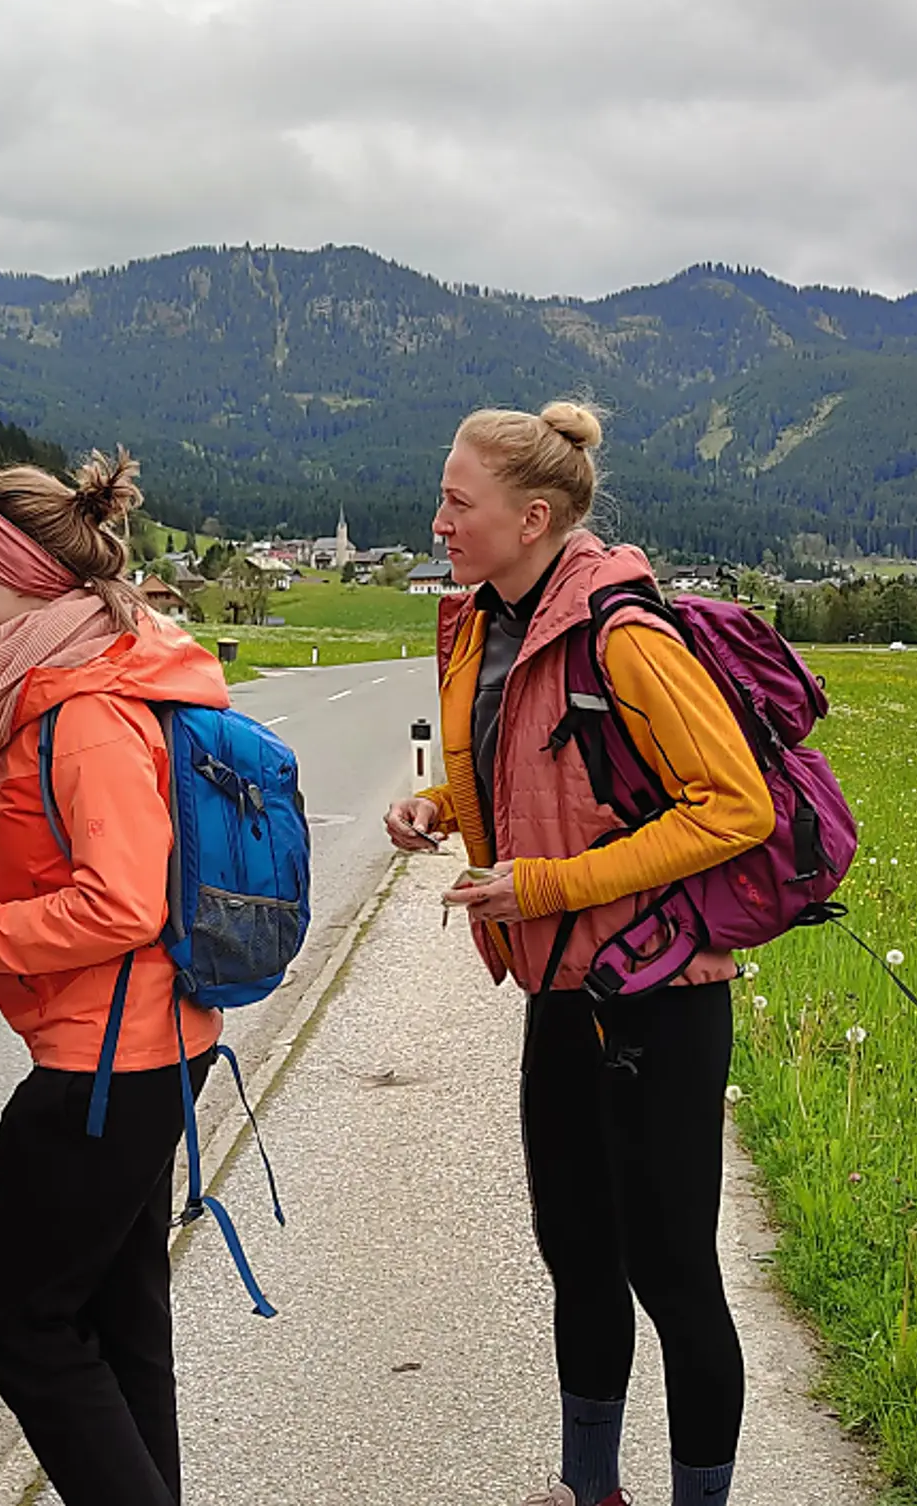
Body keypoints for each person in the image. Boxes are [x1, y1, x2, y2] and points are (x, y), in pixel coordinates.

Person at [381, 404, 777, 1506]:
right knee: (577, 1255)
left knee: (673, 1272)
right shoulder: (483, 626)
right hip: (556, 986)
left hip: (656, 995)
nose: (439, 520)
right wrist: (435, 806)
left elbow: (734, 806)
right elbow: (524, 780)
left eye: (460, 502)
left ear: (534, 516)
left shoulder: (624, 633)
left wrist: (547, 882)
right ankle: (587, 1489)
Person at [0, 449, 229, 1506]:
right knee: (120, 1318)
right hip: (145, 1046)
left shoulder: (79, 708)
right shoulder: (92, 679)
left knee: (21, 1320)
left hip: (105, 1063)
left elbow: (120, 902)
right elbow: (96, 860)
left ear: (20, 578)